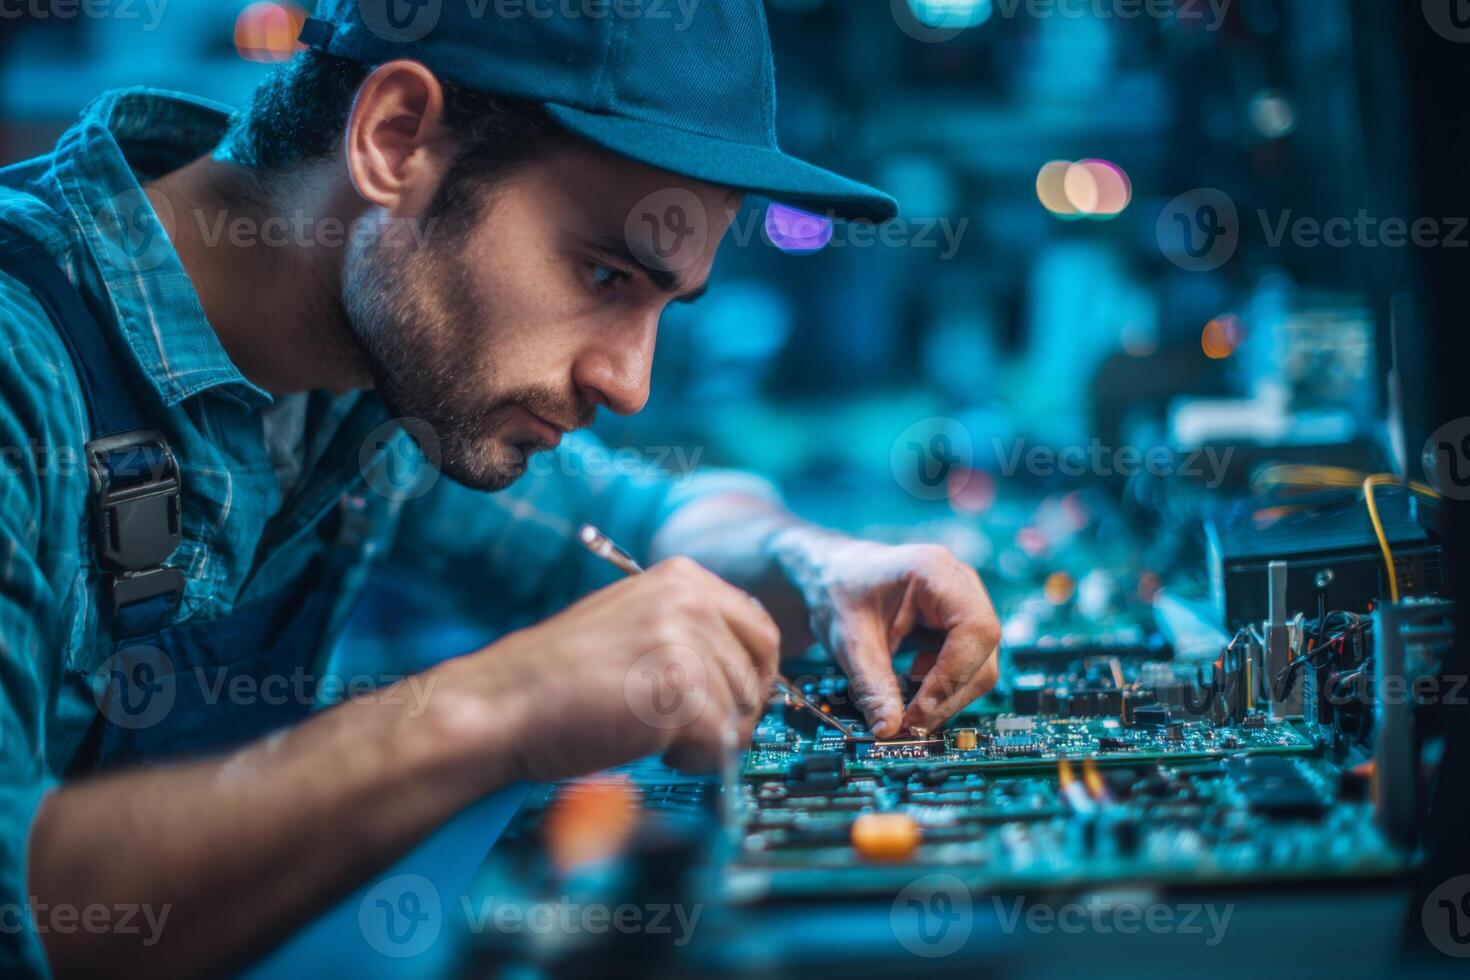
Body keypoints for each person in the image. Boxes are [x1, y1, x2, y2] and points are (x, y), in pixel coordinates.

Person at [0, 2, 1000, 974]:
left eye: (664, 306)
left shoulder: (367, 385)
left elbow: (645, 522)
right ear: (395, 139)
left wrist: (816, 562)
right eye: (605, 277)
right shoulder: (21, 371)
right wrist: (496, 704)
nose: (629, 382)